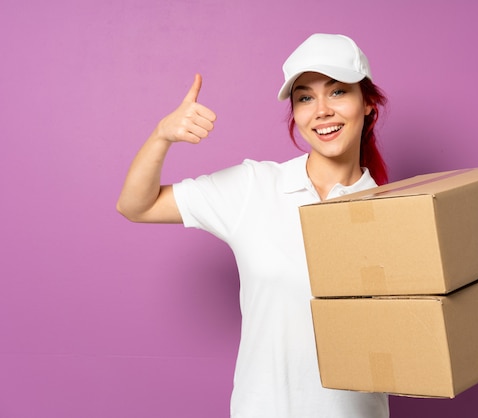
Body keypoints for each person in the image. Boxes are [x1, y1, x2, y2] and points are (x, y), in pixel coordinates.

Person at [117, 33, 390, 418]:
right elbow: (135, 206)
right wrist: (163, 136)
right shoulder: (254, 188)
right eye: (305, 97)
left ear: (367, 104)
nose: (322, 110)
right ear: (295, 113)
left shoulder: (395, 213)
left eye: (338, 91)